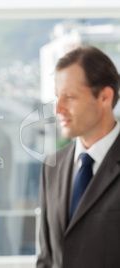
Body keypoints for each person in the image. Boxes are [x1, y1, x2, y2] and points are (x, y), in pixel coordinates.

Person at [37, 46, 120, 268]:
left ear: (104, 96)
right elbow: (47, 258)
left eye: (70, 97)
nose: (58, 109)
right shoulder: (52, 167)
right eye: (57, 97)